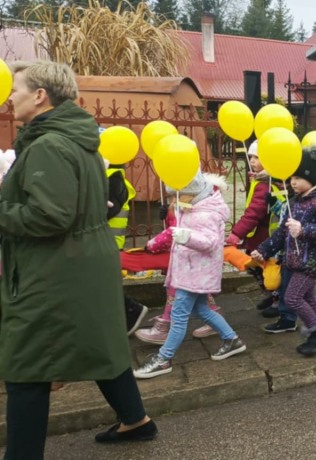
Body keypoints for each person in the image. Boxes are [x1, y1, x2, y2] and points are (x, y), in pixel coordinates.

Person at [0, 60, 156, 459]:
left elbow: (50, 216)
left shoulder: (49, 145)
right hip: (82, 260)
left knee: (27, 364)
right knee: (101, 341)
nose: (10, 97)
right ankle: (135, 419)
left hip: (55, 268)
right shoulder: (75, 137)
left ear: (40, 95)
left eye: (16, 89)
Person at [133, 172, 247, 379]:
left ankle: (163, 359)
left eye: (177, 195)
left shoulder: (206, 213)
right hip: (191, 271)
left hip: (195, 273)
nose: (172, 201)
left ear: (192, 192)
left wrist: (187, 237)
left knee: (178, 316)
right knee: (201, 308)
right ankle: (232, 340)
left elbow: (210, 242)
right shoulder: (194, 206)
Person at [253, 145, 316, 356]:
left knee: (292, 298)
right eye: (292, 177)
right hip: (296, 260)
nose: (293, 182)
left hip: (311, 262)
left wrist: (303, 230)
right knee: (308, 297)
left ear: (311, 177)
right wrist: (264, 250)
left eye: (298, 178)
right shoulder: (295, 202)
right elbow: (282, 232)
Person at [227, 141, 284, 310]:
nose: (252, 160)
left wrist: (237, 233)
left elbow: (254, 213)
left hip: (265, 235)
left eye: (257, 157)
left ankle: (277, 299)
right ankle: (271, 295)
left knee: (268, 269)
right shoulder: (264, 180)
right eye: (251, 156)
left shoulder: (264, 185)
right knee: (257, 267)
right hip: (261, 235)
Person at [101, 152, 150, 335]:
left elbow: (108, 211)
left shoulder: (113, 179)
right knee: (102, 283)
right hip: (106, 240)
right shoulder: (109, 177)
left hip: (109, 241)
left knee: (103, 284)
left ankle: (132, 311)